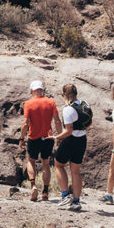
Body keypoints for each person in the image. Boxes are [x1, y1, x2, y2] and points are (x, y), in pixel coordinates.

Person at [20, 80, 62, 202]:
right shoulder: (51, 102)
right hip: (48, 138)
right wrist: (59, 136)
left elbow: (25, 123)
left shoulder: (28, 103)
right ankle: (45, 192)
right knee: (46, 163)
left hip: (34, 138)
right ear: (42, 89)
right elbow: (57, 121)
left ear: (31, 90)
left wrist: (22, 138)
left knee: (31, 161)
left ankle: (33, 186)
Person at [54, 83, 92, 212]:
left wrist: (56, 137)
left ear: (64, 95)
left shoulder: (68, 109)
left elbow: (68, 131)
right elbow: (89, 123)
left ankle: (65, 195)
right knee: (75, 171)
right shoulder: (85, 104)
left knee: (58, 164)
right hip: (82, 139)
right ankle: (76, 201)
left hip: (71, 139)